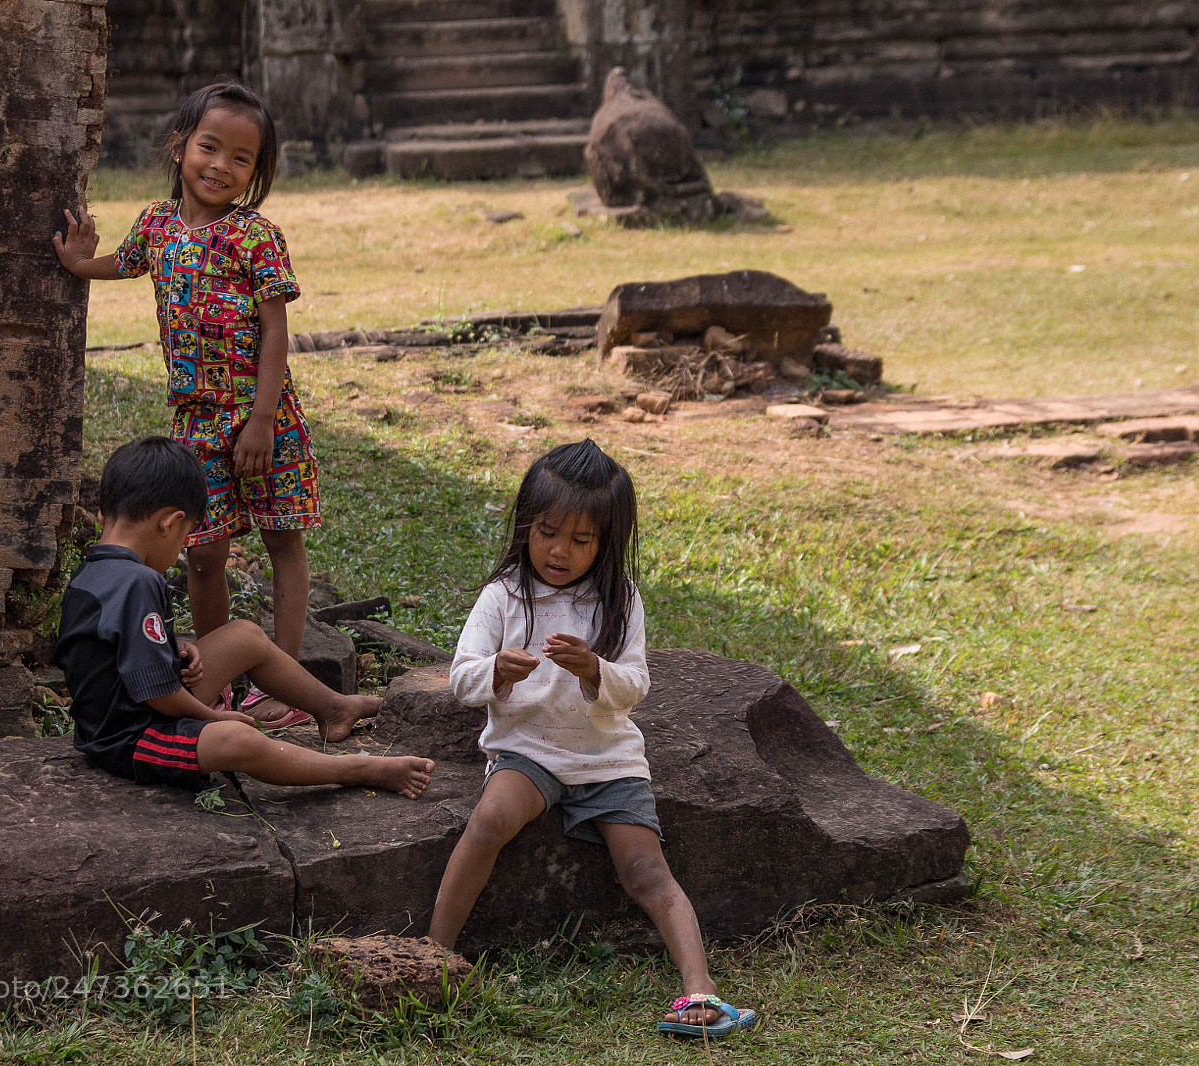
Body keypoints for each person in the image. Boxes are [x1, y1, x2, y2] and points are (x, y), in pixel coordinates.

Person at [429, 439, 757, 1039]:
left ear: (608, 544)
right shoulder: (504, 594)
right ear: (526, 525)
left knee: (646, 872)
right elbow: (460, 677)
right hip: (529, 752)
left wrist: (592, 670)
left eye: (583, 541)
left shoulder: (620, 599)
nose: (561, 551)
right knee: (488, 822)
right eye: (549, 532)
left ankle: (700, 992)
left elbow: (634, 686)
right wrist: (495, 670)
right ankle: (432, 957)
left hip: (607, 756)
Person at [53, 82, 315, 726]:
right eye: (209, 147)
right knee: (202, 550)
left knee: (283, 539)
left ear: (257, 172)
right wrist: (81, 265)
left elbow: (275, 332)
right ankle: (216, 680)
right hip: (197, 421)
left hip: (265, 417)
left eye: (242, 158)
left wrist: (259, 419)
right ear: (180, 147)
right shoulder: (157, 224)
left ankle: (284, 679)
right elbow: (127, 262)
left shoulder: (257, 238)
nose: (221, 166)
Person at [55, 436, 434, 800]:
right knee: (241, 741)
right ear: (170, 523)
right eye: (186, 534)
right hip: (130, 737)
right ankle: (356, 770)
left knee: (245, 636)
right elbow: (158, 693)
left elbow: (112, 647)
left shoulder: (94, 569)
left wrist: (176, 650)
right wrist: (214, 719)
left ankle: (335, 708)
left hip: (135, 706)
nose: (182, 545)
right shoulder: (140, 580)